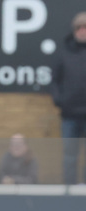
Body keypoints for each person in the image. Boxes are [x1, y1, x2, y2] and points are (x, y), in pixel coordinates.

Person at [51, 12, 86, 184]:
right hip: (70, 115)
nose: (82, 31)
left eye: (85, 28)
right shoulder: (64, 53)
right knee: (70, 155)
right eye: (79, 28)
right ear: (74, 30)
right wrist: (60, 101)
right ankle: (69, 190)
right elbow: (55, 80)